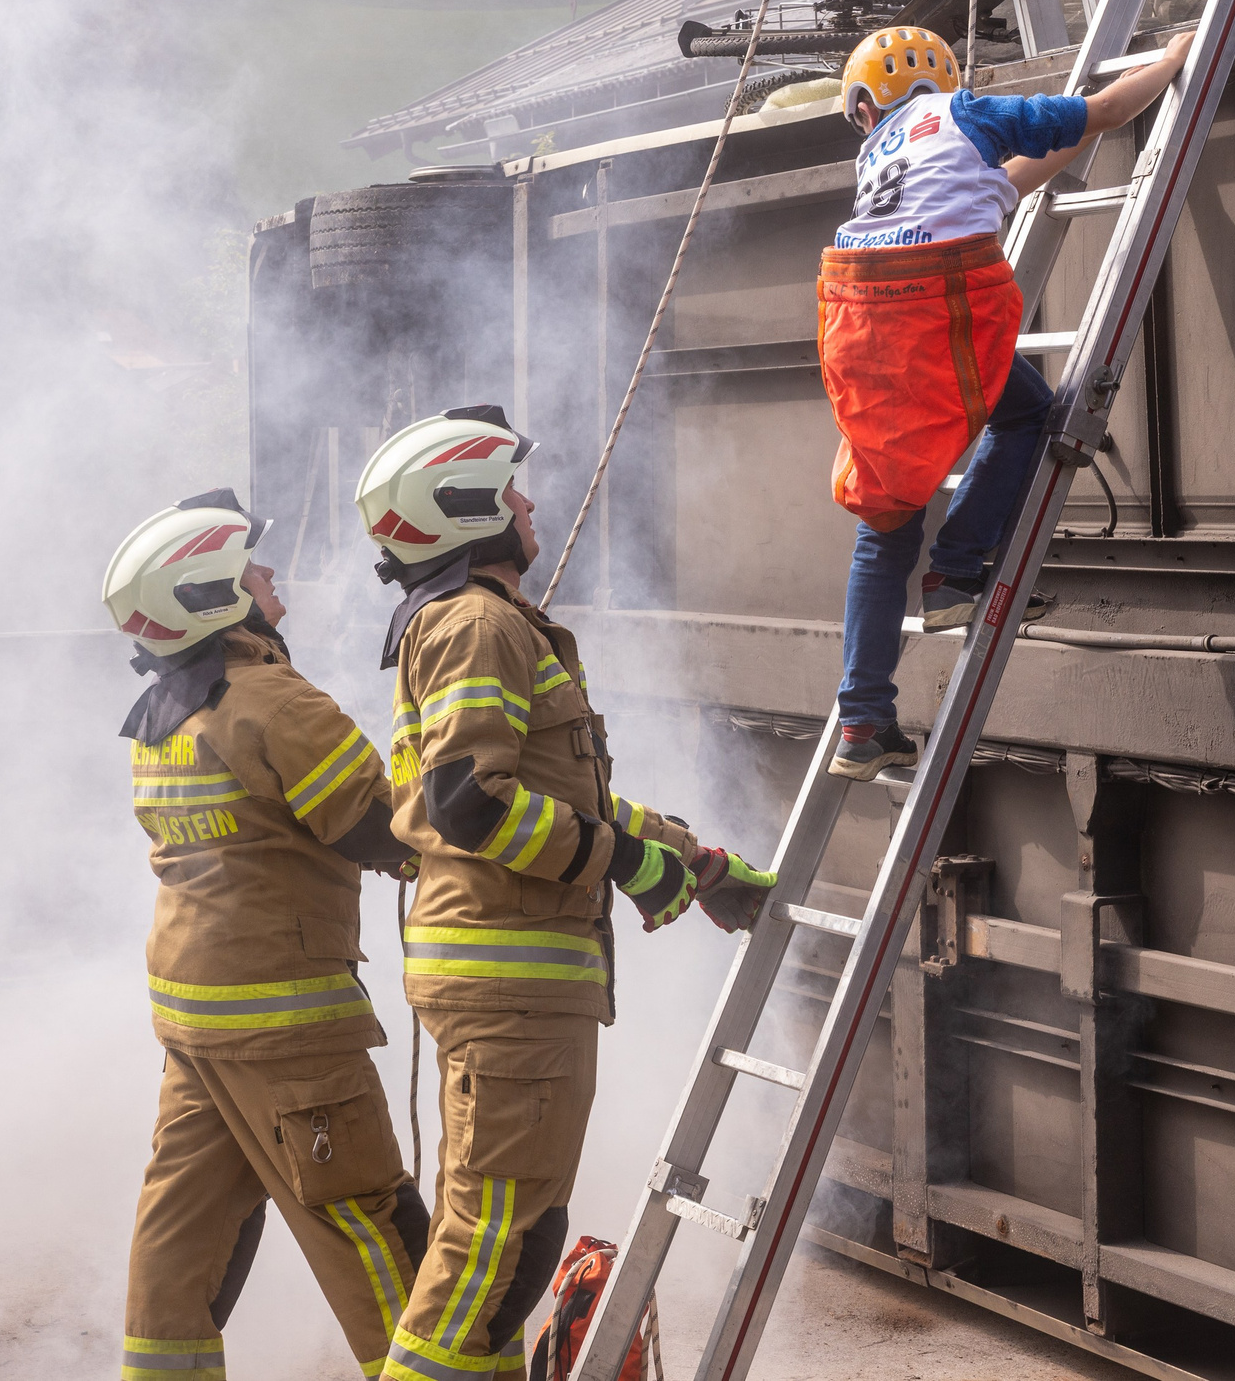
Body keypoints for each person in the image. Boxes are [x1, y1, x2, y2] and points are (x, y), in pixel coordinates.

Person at [354, 406, 777, 1381]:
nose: (530, 502)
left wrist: (687, 858)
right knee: (492, 1258)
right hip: (510, 992)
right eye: (507, 490)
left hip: (512, 989)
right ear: (463, 513)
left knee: (505, 1252)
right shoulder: (474, 625)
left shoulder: (482, 626)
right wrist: (625, 863)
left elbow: (550, 793)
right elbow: (469, 804)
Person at [103, 487, 429, 1381]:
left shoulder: (159, 715)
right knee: (368, 1218)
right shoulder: (268, 699)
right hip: (286, 1026)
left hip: (199, 1022)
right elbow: (376, 824)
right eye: (250, 566)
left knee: (184, 1226)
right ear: (214, 597)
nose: (271, 572)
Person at [820, 23, 1197, 779]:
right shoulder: (970, 114)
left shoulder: (878, 155)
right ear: (946, 81)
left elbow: (1004, 180)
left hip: (856, 314)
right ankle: (956, 570)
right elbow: (1107, 113)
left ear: (869, 110)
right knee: (1026, 414)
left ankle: (863, 720)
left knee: (886, 516)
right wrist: (1172, 61)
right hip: (939, 300)